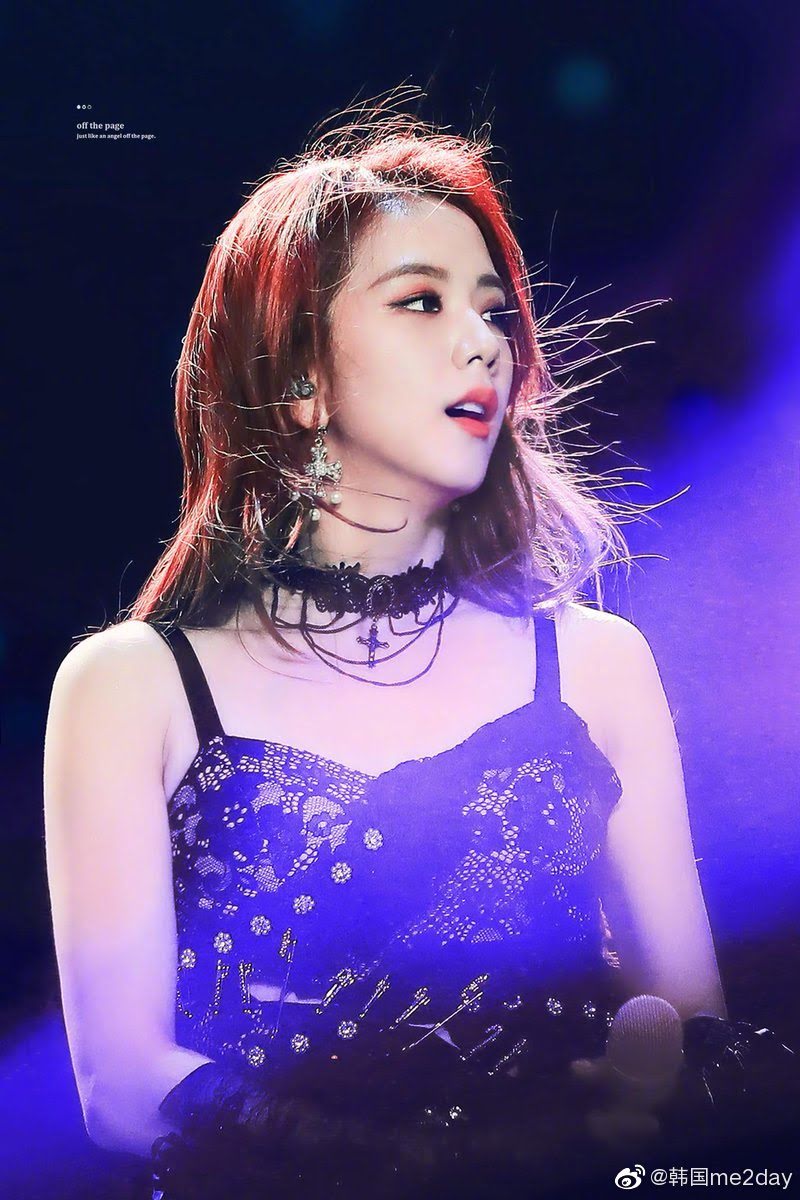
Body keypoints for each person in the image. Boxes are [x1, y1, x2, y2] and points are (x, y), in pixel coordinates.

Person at [43, 96, 784, 1199]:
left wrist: (655, 1084)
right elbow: (116, 1083)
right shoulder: (131, 685)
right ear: (297, 378)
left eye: (493, 310)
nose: (483, 341)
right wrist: (414, 1165)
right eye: (421, 301)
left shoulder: (593, 662)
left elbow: (692, 1024)